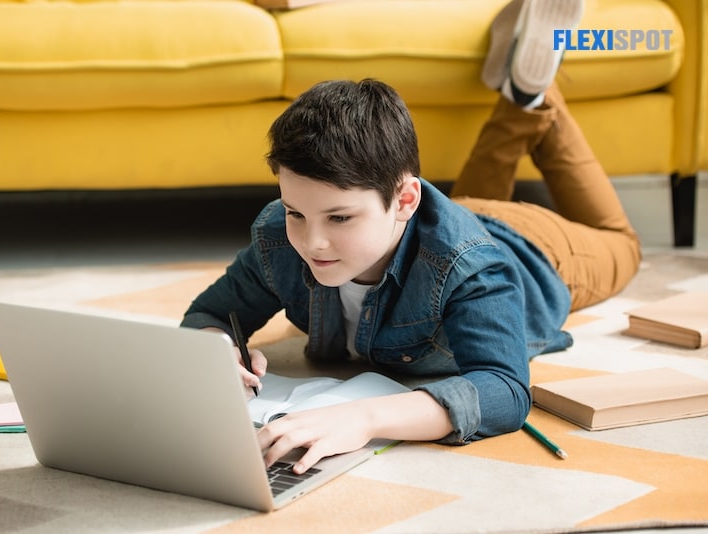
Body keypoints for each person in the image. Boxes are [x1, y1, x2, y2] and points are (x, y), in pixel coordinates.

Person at [181, 0, 641, 474]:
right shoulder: (281, 236)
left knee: (622, 242)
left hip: (538, 247)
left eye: (339, 219)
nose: (311, 241)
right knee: (466, 205)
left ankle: (536, 92)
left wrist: (365, 417)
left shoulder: (473, 268)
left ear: (402, 202)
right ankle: (520, 89)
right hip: (446, 216)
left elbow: (504, 390)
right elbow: (210, 313)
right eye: (297, 212)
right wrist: (217, 350)